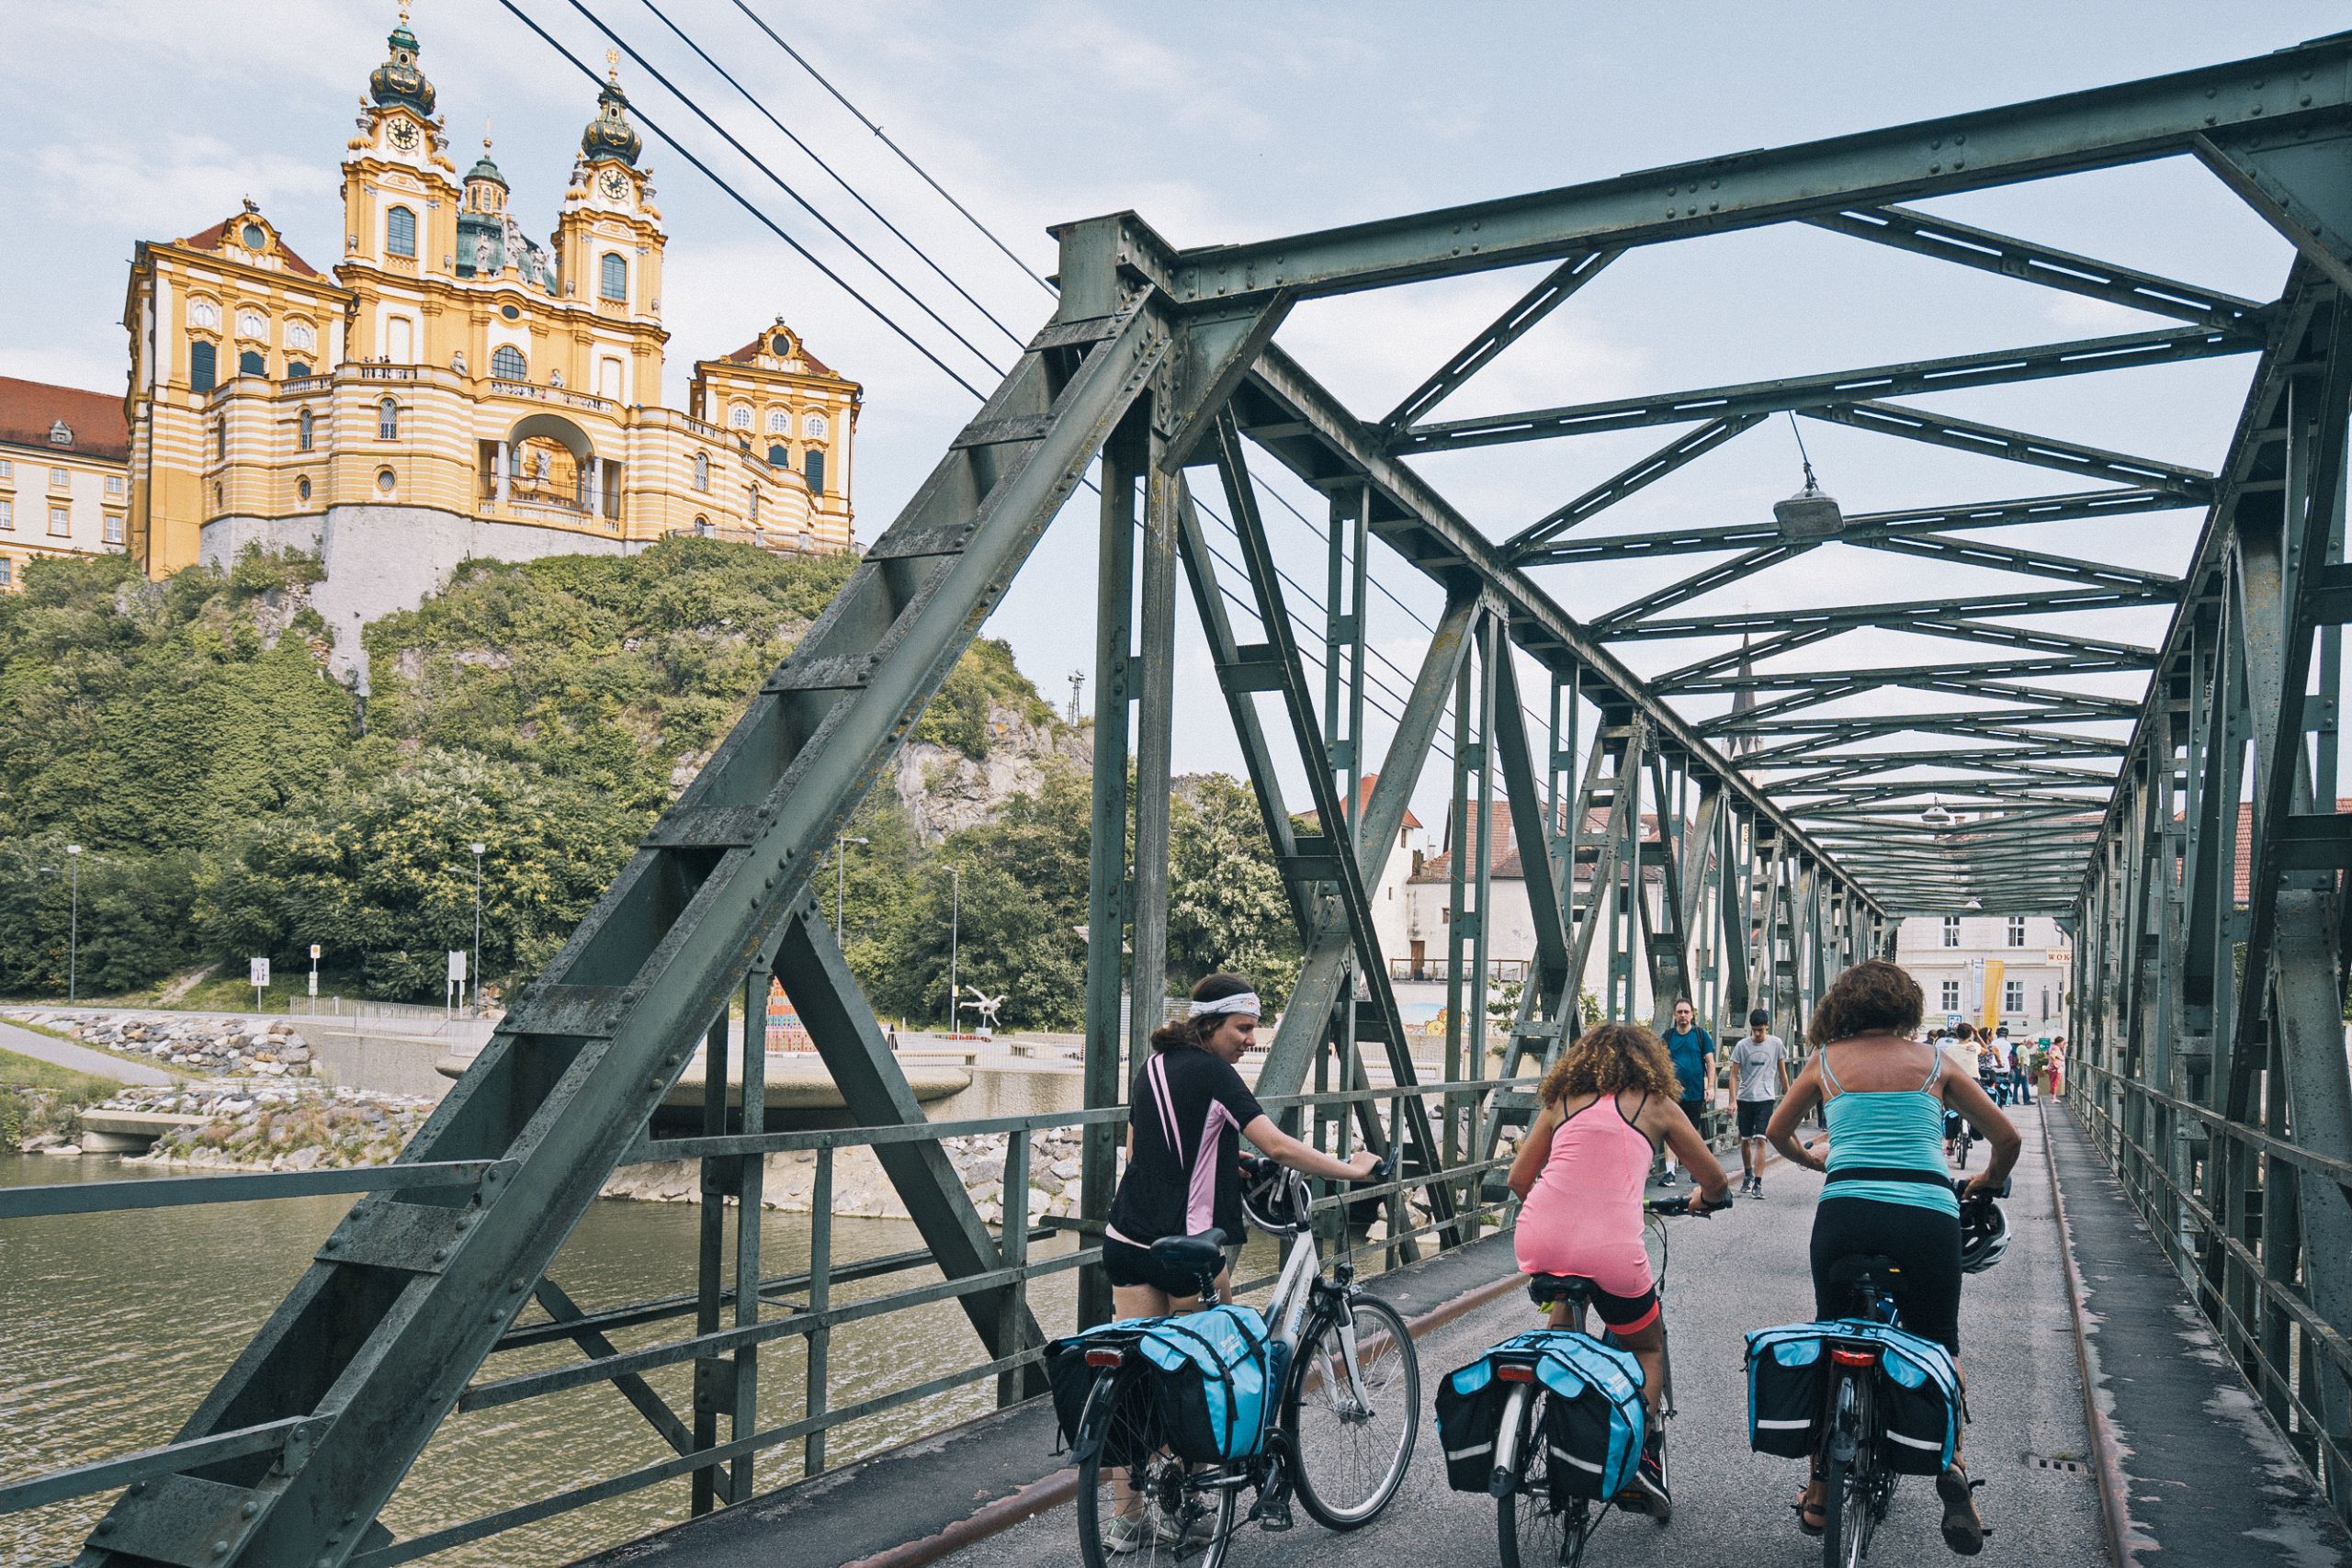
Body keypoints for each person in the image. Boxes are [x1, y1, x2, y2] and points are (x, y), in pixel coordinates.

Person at [1768, 960, 2019, 1556]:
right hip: (1925, 1217)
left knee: (1832, 1338)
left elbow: (1779, 1133)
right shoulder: (1935, 1062)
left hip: (1846, 1213)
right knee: (1938, 1340)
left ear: (1841, 1009)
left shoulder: (1825, 1062)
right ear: (1905, 1006)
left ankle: (1820, 1487)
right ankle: (1953, 1466)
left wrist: (1817, 1162)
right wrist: (1982, 1180)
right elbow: (2007, 1137)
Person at [1509, 1021, 1732, 1507]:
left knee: (1566, 1309)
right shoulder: (1655, 1104)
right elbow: (1714, 1180)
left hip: (1540, 1236)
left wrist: (1556, 1213)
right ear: (1648, 1062)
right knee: (1647, 1346)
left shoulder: (1560, 1103)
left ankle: (1555, 1389)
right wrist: (1705, 1199)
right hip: (1610, 1248)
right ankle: (1631, 1457)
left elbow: (1517, 1179)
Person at [1103, 972, 1377, 1315]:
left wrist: (1217, 1159)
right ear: (1209, 1025)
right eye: (1243, 1028)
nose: (1251, 1039)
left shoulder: (1153, 1065)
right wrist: (1352, 1169)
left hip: (1125, 1239)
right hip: (1186, 1247)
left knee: (1146, 1360)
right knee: (1214, 1361)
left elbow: (1137, 1150)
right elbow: (1277, 1147)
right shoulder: (1216, 1074)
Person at [1728, 1009, 1789, 1198]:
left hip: (1766, 1098)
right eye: (1754, 1030)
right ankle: (1747, 1174)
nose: (1757, 1034)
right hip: (1745, 1098)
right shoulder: (1741, 1046)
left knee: (1761, 1139)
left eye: (1760, 1030)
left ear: (1767, 1027)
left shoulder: (1776, 1044)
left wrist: (1789, 1096)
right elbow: (1733, 1074)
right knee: (1745, 1140)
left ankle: (1758, 1183)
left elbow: (1782, 1071)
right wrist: (1732, 1100)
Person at [1657, 998, 1716, 1188]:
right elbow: (1659, 1062)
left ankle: (1694, 1170)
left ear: (1692, 1015)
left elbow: (1710, 1062)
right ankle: (1670, 1172)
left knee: (1692, 1132)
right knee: (1670, 1132)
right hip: (1673, 1093)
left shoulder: (1701, 1035)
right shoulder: (1667, 1037)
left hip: (1694, 1092)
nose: (1683, 1015)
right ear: (1674, 1015)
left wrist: (1711, 1086)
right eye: (1680, 1012)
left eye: (1686, 1012)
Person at [1939, 1022, 1980, 1156]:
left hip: (1956, 1080)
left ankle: (1949, 1146)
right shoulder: (1975, 1046)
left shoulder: (1951, 1049)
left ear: (1957, 1034)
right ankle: (1975, 1131)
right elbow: (1986, 1050)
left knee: (1951, 1111)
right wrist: (1978, 1034)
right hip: (1973, 1081)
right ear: (1971, 1034)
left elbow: (1944, 1063)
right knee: (1975, 1108)